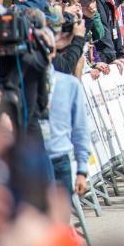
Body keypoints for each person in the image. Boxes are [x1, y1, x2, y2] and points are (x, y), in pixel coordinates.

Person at [44, 26, 93, 205]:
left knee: (59, 225)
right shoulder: (21, 81)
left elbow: (80, 129)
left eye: (47, 48)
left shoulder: (69, 84)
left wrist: (81, 171)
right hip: (31, 161)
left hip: (59, 160)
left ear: (54, 51)